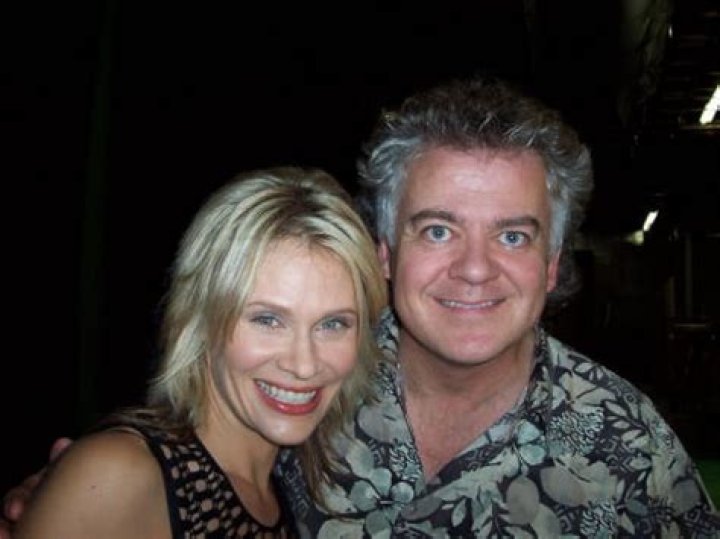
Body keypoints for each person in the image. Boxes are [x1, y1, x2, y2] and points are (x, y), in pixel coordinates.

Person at [3, 77, 719, 538]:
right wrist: (89, 494)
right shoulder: (316, 375)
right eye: (437, 229)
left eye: (512, 235)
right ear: (384, 254)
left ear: (553, 263)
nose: (475, 269)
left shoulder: (632, 449)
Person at [10, 167, 388, 538]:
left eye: (332, 324)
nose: (304, 365)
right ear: (202, 320)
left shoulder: (291, 485)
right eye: (268, 320)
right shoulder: (120, 475)